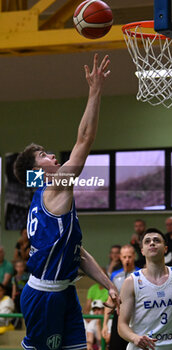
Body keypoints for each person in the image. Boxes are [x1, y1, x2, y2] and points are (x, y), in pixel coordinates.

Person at [14, 54, 120, 350]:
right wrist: (95, 90)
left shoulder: (43, 190)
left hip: (65, 292)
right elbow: (84, 140)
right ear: (39, 171)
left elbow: (77, 252)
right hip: (44, 295)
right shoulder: (56, 187)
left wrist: (108, 284)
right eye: (44, 155)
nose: (53, 156)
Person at [118, 228, 172, 350]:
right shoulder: (131, 282)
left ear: (165, 248)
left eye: (156, 240)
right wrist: (134, 338)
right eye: (147, 241)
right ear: (142, 251)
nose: (152, 243)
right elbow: (121, 325)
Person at [102, 245, 139, 350]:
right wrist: (105, 324)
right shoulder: (114, 275)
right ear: (120, 257)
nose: (127, 259)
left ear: (134, 256)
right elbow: (110, 300)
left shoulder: (141, 274)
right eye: (124, 257)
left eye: (130, 257)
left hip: (136, 318)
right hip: (118, 317)